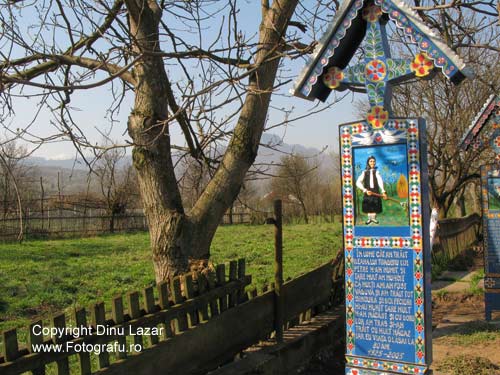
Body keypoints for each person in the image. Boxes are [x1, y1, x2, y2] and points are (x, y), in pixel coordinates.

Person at [356, 156, 387, 225]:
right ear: (368, 162)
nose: (372, 162)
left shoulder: (377, 172)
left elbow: (380, 181)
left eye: (373, 161)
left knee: (375, 205)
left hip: (375, 192)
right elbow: (358, 182)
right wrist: (365, 190)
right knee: (368, 205)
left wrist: (383, 191)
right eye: (371, 161)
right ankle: (370, 219)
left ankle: (373, 219)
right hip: (368, 192)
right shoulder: (364, 172)